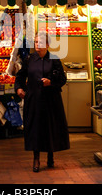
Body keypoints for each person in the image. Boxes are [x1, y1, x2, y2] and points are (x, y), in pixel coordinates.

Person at [15, 32, 69, 172]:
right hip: (34, 100)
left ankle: (50, 155)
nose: (37, 46)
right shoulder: (29, 59)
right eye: (36, 42)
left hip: (51, 101)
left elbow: (62, 79)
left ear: (47, 45)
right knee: (35, 129)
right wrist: (19, 88)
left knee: (50, 128)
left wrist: (51, 82)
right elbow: (20, 76)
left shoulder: (54, 59)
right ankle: (36, 158)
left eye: (40, 43)